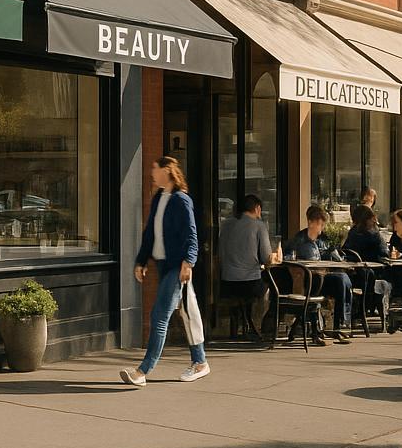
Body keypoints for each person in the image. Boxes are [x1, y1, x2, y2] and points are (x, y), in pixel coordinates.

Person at [121, 156, 208, 386]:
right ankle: (200, 362)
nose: (151, 172)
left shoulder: (181, 200)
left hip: (177, 266)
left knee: (159, 316)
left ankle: (142, 371)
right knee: (189, 313)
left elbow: (192, 235)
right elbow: (150, 233)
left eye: (154, 168)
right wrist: (141, 261)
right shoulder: (160, 197)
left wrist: (188, 263)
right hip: (163, 265)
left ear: (166, 171)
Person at [284, 204, 353, 344]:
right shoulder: (299, 240)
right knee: (319, 279)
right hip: (307, 280)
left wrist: (335, 255)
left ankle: (340, 325)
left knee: (343, 279)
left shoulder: (323, 240)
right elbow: (288, 258)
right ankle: (316, 331)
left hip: (321, 277)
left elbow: (335, 256)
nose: (321, 228)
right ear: (310, 222)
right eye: (319, 224)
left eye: (323, 224)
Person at [218, 194, 282, 338]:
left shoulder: (226, 225)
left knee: (245, 293)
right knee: (271, 286)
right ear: (257, 208)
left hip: (227, 283)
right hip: (250, 283)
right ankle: (258, 325)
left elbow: (220, 253)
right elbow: (266, 258)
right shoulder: (258, 225)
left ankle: (243, 323)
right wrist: (275, 256)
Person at [342, 206, 392, 320]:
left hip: (354, 275)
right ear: (370, 218)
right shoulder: (374, 234)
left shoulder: (353, 233)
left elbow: (345, 251)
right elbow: (384, 254)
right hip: (371, 275)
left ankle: (362, 306)